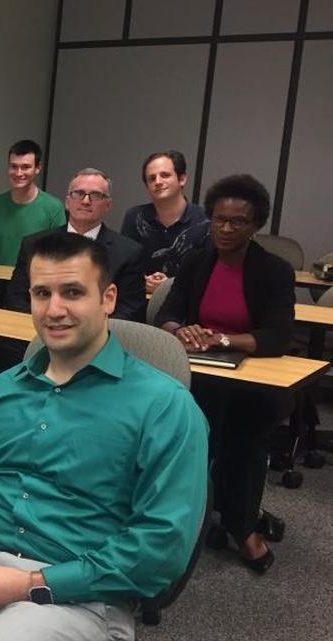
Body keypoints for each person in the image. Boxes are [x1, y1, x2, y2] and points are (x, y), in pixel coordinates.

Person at [0, 233, 208, 641]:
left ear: (107, 298)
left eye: (72, 292)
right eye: (42, 293)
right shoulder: (3, 390)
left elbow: (159, 547)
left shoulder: (165, 406)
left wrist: (30, 583)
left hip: (80, 598)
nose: (54, 309)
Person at [155, 174, 293, 573]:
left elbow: (278, 335)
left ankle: (242, 524)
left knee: (246, 440)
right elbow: (167, 312)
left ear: (255, 226)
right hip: (199, 370)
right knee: (191, 436)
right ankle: (182, 520)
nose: (226, 229)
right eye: (219, 220)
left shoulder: (274, 270)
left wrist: (225, 341)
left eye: (237, 222)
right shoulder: (198, 261)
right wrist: (180, 331)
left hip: (254, 377)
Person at [6, 168, 147, 321]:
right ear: (67, 202)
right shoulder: (34, 245)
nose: (86, 201)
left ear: (108, 205)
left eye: (95, 195)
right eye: (79, 193)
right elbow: (16, 297)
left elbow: (130, 310)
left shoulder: (129, 253)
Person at [121, 150, 210, 293]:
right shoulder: (134, 217)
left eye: (165, 175)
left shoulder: (206, 220)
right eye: (151, 178)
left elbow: (210, 272)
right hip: (139, 302)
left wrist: (170, 284)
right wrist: (143, 281)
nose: (158, 182)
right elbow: (124, 265)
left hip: (187, 305)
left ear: (182, 179)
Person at [0, 140, 65, 266]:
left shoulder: (54, 207)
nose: (18, 173)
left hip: (34, 282)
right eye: (13, 166)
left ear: (38, 168)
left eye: (25, 167)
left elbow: (57, 255)